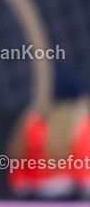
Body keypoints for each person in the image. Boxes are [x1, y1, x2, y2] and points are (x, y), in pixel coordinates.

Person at [7, 67, 90, 199]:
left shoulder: (32, 124)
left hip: (36, 198)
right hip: (71, 198)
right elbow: (86, 178)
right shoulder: (80, 127)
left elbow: (19, 176)